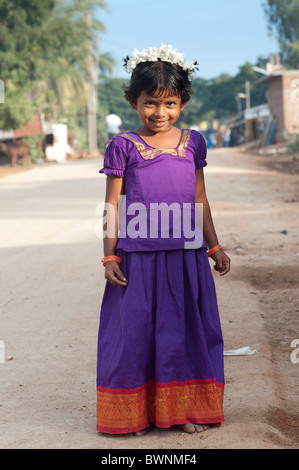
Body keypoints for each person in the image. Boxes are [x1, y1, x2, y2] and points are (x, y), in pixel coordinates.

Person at [96, 44, 231, 437]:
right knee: (134, 335)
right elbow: (111, 204)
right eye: (150, 103)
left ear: (183, 102)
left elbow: (200, 198)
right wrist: (109, 257)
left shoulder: (194, 143)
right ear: (133, 101)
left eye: (169, 103)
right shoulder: (123, 145)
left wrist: (214, 246)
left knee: (184, 334)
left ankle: (183, 410)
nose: (160, 112)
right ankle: (133, 414)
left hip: (186, 258)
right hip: (138, 258)